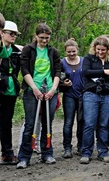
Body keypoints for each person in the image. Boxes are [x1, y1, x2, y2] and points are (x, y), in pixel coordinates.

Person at [17, 23, 61, 169]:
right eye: (41, 37)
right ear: (36, 36)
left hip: (50, 90)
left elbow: (57, 72)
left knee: (47, 123)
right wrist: (34, 88)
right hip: (32, 91)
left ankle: (47, 153)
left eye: (47, 38)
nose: (44, 40)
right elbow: (24, 69)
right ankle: (24, 157)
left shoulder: (53, 52)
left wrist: (53, 89)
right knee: (30, 124)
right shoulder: (28, 50)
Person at [80, 36, 109, 164]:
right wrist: (103, 72)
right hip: (91, 94)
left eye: (103, 50)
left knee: (104, 125)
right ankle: (86, 152)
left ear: (108, 49)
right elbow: (85, 72)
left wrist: (97, 73)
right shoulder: (88, 58)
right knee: (89, 124)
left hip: (107, 94)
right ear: (94, 48)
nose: (100, 52)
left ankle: (103, 152)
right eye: (98, 49)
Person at [0, 20, 21, 165]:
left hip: (10, 90)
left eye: (15, 34)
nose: (13, 36)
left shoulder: (15, 50)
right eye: (11, 33)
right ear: (2, 33)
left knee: (6, 123)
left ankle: (7, 153)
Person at [60, 38, 85, 158]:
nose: (71, 54)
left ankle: (80, 146)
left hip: (82, 95)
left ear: (77, 50)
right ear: (65, 51)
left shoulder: (84, 61)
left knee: (81, 122)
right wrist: (63, 83)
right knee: (68, 122)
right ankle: (67, 148)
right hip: (69, 95)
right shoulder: (62, 62)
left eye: (73, 51)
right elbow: (57, 78)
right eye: (69, 52)